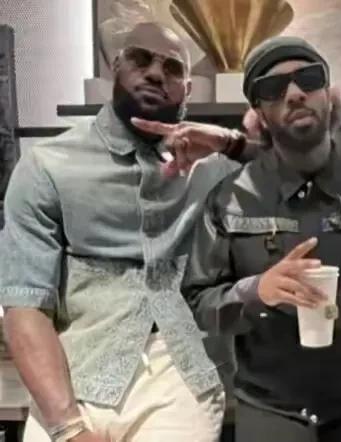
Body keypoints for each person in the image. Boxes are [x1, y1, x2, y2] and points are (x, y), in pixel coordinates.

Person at [0, 22, 249, 442]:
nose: (155, 73)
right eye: (140, 59)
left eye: (171, 68)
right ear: (116, 67)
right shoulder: (49, 165)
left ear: (188, 90)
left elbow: (300, 168)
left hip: (179, 372)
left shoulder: (215, 171)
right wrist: (67, 428)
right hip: (71, 373)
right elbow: (25, 303)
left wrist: (229, 140)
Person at [182, 36, 341, 442]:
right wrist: (257, 291)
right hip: (272, 411)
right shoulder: (230, 198)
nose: (294, 93)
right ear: (259, 113)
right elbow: (199, 303)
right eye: (273, 88)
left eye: (308, 79)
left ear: (328, 94)